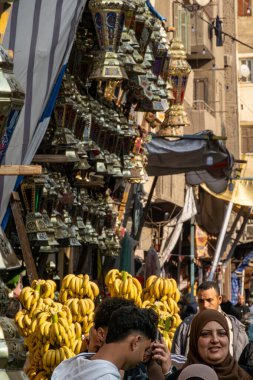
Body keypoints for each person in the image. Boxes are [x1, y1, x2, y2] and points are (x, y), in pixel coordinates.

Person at [52, 305, 157, 380]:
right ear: (136, 342)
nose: (142, 357)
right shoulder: (106, 377)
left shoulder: (69, 366)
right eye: (145, 349)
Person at [172, 281, 248, 360]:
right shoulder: (186, 326)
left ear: (219, 299)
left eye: (209, 300)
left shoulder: (235, 327)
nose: (205, 305)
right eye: (201, 301)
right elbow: (177, 358)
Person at [167, 309, 251, 380]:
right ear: (194, 341)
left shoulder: (247, 375)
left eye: (221, 333)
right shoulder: (179, 378)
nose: (215, 340)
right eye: (205, 334)